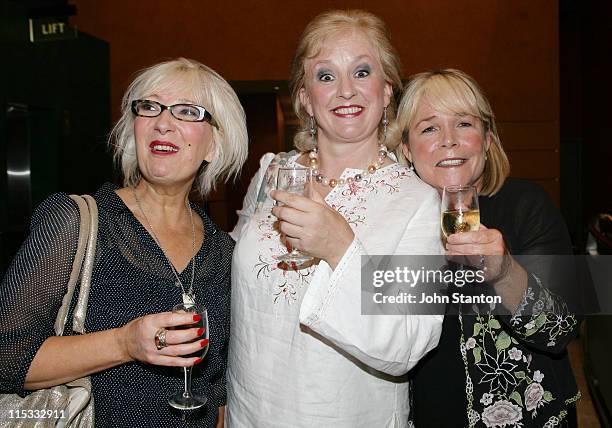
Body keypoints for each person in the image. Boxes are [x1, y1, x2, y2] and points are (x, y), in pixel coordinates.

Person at [0, 58, 248, 427]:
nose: (163, 123)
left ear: (214, 143)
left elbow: (216, 383)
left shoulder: (225, 250)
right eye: (149, 107)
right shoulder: (75, 221)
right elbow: (6, 359)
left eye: (187, 112)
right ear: (135, 128)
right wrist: (124, 344)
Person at [226, 10, 443, 427]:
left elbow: (409, 344)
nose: (346, 90)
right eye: (326, 76)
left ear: (386, 93)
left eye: (362, 72)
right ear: (305, 98)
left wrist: (340, 248)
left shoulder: (416, 201)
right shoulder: (272, 174)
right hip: (251, 412)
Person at [395, 69, 581, 427]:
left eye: (464, 124)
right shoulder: (397, 228)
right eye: (429, 127)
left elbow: (561, 330)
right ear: (406, 149)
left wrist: (505, 271)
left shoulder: (526, 205)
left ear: (488, 139)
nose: (449, 140)